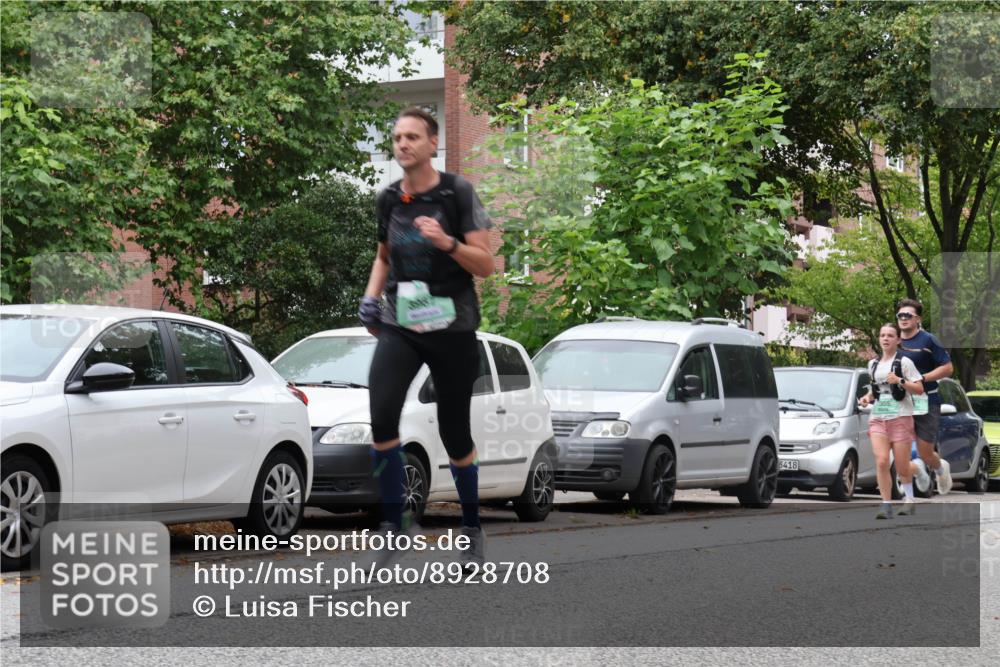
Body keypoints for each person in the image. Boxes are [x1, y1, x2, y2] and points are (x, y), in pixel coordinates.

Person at [358, 106, 495, 568]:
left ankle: (471, 529)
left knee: (456, 434)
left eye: (413, 137)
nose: (403, 144)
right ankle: (394, 525)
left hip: (453, 327)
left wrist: (447, 243)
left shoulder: (458, 193)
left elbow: (486, 265)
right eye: (397, 137)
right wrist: (370, 297)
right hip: (401, 323)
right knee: (380, 419)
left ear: (432, 144)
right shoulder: (388, 199)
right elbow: (382, 256)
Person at [859, 323, 925, 518]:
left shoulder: (904, 363)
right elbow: (876, 390)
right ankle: (886, 505)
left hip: (901, 417)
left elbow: (919, 389)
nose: (885, 338)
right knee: (881, 461)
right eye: (882, 335)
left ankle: (911, 495)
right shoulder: (872, 364)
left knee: (903, 466)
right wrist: (867, 398)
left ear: (898, 340)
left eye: (890, 335)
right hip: (878, 417)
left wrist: (900, 381)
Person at [895, 298, 954, 494]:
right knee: (898, 445)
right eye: (900, 315)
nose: (903, 319)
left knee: (925, 451)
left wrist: (922, 377)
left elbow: (948, 368)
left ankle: (939, 468)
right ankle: (916, 472)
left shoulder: (929, 340)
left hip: (926, 399)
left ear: (917, 319)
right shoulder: (893, 339)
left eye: (908, 315)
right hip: (901, 400)